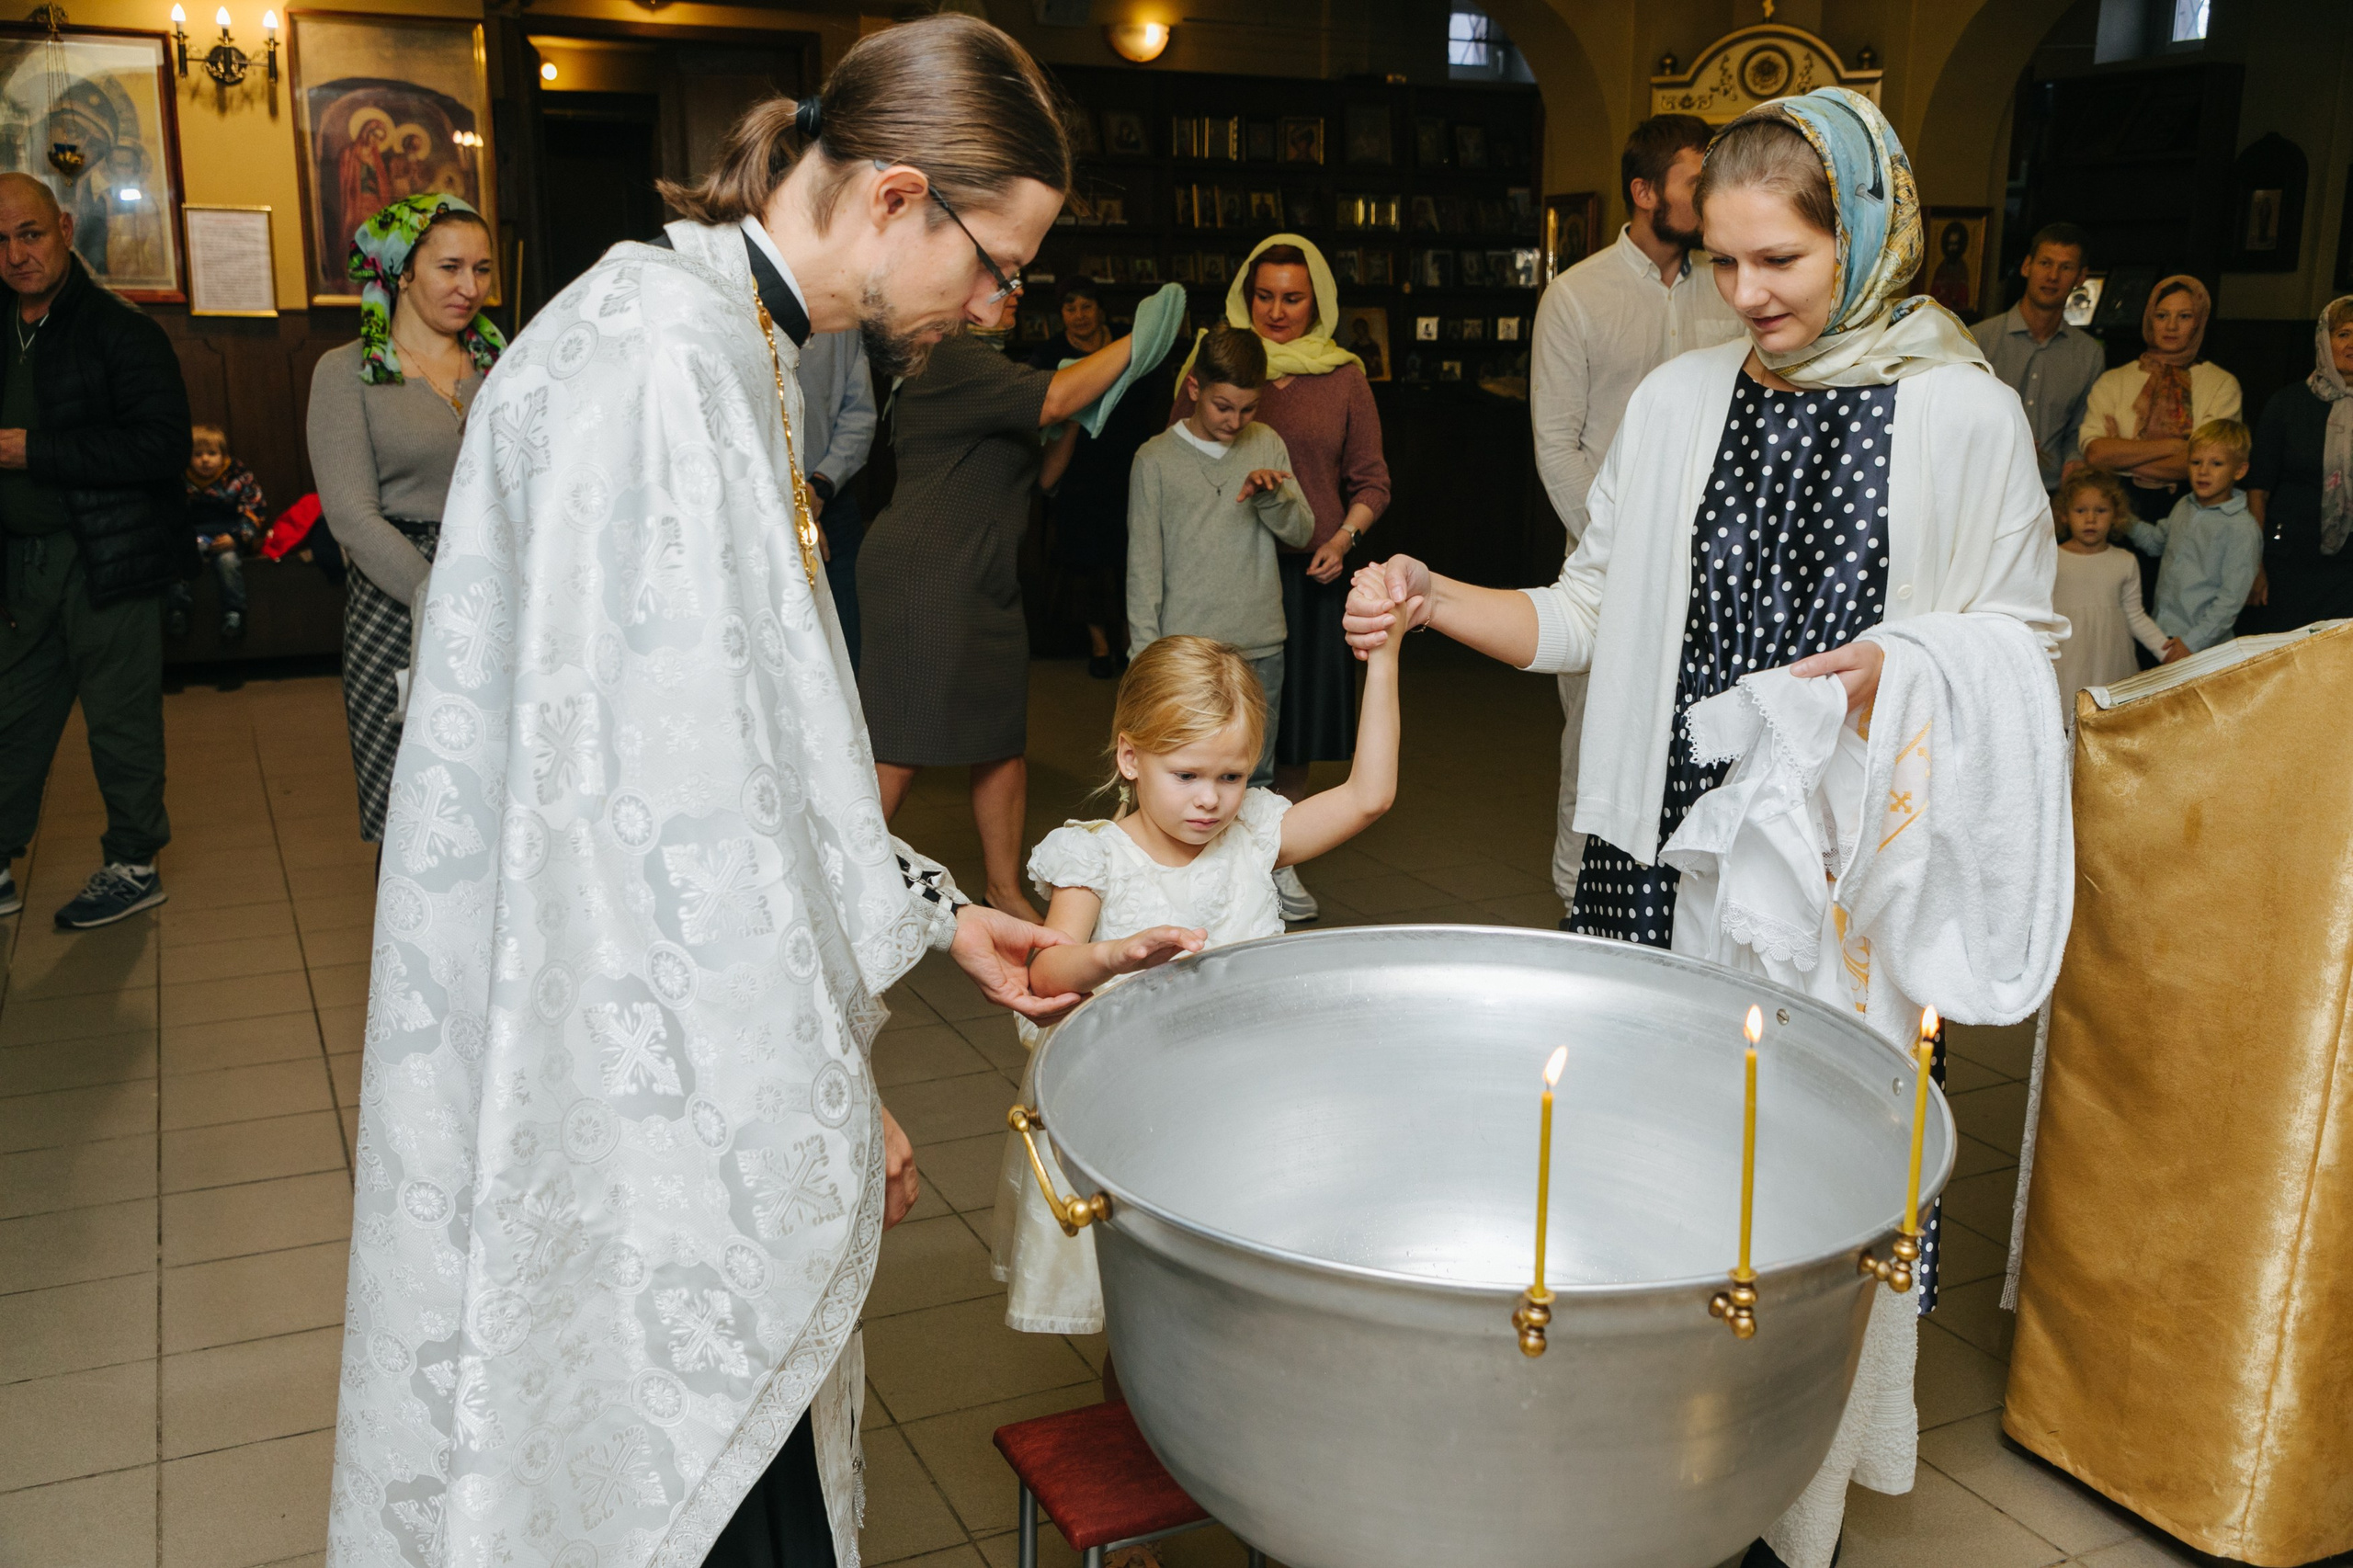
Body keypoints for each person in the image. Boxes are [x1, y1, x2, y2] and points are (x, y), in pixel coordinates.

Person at [325, 19, 1099, 1568]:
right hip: (637, 1074)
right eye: (996, 264)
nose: (989, 306)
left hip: (668, 1026)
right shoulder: (658, 365)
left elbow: (745, 747)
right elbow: (669, 833)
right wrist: (819, 1075)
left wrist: (940, 923)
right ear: (897, 198)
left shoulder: (716, 337)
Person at [1344, 87, 2067, 1568]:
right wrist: (1431, 596)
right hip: (1653, 864)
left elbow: (2024, 646)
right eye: (1722, 260)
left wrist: (1900, 670)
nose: (1746, 297)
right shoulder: (1682, 400)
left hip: (1841, 891)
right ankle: (1641, 1495)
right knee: (1642, 1188)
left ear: (1865, 237)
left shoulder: (1965, 413)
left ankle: (1786, 1515)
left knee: (1811, 1207)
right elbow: (1585, 615)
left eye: (1781, 264)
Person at [992, 629, 1403, 1338]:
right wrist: (1116, 955)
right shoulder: (1096, 858)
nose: (1211, 801)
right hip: (1138, 1111)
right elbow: (1046, 972)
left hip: (1242, 1100)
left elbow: (1369, 796)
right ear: (1130, 757)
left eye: (1233, 776)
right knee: (1140, 1308)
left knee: (1231, 1298)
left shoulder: (1253, 836)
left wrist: (1386, 658)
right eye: (1186, 775)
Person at [858, 284, 1163, 924]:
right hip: (928, 573)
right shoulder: (948, 353)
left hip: (982, 572)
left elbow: (1045, 475)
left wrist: (1074, 424)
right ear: (958, 292)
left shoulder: (988, 365)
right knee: (901, 739)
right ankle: (835, 887)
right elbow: (1057, 392)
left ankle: (1003, 891)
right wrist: (1143, 335)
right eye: (1001, 276)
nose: (1017, 289)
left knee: (999, 739)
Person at [1530, 111, 1745, 924]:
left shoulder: (1730, 284)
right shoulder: (1577, 293)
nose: (1712, 195)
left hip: (1713, 561)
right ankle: (1572, 896)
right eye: (1698, 181)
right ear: (1646, 191)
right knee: (1595, 734)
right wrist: (1624, 549)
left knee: (1701, 729)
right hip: (1604, 559)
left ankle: (1682, 908)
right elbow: (1557, 444)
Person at [1171, 233, 1390, 922]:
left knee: (1289, 734)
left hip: (1310, 574)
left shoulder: (1344, 376)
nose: (1276, 310)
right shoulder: (1207, 368)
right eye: (1263, 295)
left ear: (1316, 301)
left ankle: (1274, 863)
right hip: (1227, 571)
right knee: (1218, 728)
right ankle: (1202, 863)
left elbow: (1372, 481)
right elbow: (1176, 470)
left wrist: (1344, 536)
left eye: (1293, 298)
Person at [0, 172, 192, 930]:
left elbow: (162, 447)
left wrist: (34, 452)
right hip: (23, 560)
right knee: (11, 713)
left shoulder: (120, 330)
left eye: (30, 233)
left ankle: (133, 865)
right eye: (0, 240)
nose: (16, 254)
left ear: (65, 227)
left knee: (119, 719)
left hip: (108, 558)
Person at [304, 193, 502, 843]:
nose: (469, 287)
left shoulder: (504, 368)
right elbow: (353, 518)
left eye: (481, 269)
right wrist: (444, 597)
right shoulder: (348, 373)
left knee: (499, 801)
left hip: (501, 595)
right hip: (396, 601)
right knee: (417, 815)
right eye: (449, 267)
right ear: (402, 271)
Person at [1126, 323, 1314, 789]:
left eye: (1249, 408)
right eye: (1223, 406)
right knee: (1188, 773)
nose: (1235, 421)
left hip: (1261, 645)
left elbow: (1303, 531)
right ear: (1195, 387)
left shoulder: (1266, 442)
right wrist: (1144, 658)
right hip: (1186, 654)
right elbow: (1143, 569)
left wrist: (1271, 498)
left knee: (1255, 772)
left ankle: (1264, 863)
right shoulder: (1154, 460)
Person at [1030, 279, 1171, 677]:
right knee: (1084, 561)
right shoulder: (1051, 355)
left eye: (1086, 305)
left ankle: (1130, 640)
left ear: (1100, 309)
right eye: (1070, 308)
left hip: (1129, 465)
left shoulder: (1128, 349)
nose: (1079, 314)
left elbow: (1153, 402)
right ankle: (1099, 643)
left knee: (1132, 557)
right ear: (1062, 316)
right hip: (1078, 470)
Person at [2082, 275, 2242, 523]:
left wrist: (2121, 456)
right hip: (2115, 511)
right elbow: (2095, 455)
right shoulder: (2113, 381)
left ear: (2199, 321)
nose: (2171, 326)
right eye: (2162, 315)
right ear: (2149, 319)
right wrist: (2175, 445)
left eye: (2185, 316)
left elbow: (2204, 466)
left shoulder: (2221, 384)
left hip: (2193, 512)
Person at [2241, 295, 2353, 633]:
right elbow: (2257, 490)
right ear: (2323, 339)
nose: (2352, 344)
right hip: (2289, 561)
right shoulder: (2288, 404)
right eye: (2343, 334)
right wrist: (2255, 565)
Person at [1971, 222, 2105, 496]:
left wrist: (2073, 464)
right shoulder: (1978, 340)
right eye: (2045, 263)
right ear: (2026, 267)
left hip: (2050, 493)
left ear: (2081, 278)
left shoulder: (2088, 354)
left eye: (2066, 267)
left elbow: (2080, 430)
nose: (2053, 276)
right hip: (1982, 488)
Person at [2123, 417, 2261, 659]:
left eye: (2216, 463)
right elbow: (2156, 543)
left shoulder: (2242, 528)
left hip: (2201, 650)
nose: (2203, 471)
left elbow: (2230, 602)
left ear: (2239, 470)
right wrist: (2123, 519)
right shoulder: (2184, 506)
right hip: (2161, 636)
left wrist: (2191, 643)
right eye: (2196, 462)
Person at [796, 326, 878, 669]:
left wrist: (819, 487)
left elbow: (859, 413)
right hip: (760, 502)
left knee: (846, 651)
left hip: (832, 500)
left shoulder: (843, 321)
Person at [2051, 468, 2165, 699]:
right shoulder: (2051, 558)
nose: (2090, 519)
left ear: (2116, 515)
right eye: (2080, 510)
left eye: (2101, 510)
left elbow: (2135, 615)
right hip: (2066, 657)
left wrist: (2165, 649)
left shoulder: (2125, 561)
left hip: (2111, 657)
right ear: (2064, 514)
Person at [168, 421, 266, 642]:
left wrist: (238, 537)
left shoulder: (238, 477)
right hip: (194, 534)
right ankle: (178, 610)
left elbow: (255, 508)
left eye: (212, 453)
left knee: (228, 562)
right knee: (180, 559)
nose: (205, 459)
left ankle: (234, 613)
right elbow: (171, 513)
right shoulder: (180, 479)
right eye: (197, 454)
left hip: (228, 535)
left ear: (223, 455)